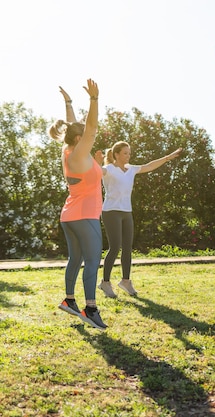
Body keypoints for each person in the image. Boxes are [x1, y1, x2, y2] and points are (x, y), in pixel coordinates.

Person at [51, 81, 107, 330]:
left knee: (76, 258)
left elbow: (75, 127)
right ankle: (90, 309)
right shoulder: (81, 154)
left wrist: (69, 104)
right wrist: (94, 100)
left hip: (69, 215)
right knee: (93, 260)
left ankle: (70, 300)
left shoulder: (68, 151)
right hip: (86, 216)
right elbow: (91, 127)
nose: (87, 134)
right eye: (82, 133)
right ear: (78, 137)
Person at [97, 141, 183, 298]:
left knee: (127, 248)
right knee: (115, 247)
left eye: (129, 153)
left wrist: (167, 158)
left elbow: (149, 166)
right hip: (111, 211)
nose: (128, 156)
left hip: (126, 212)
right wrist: (95, 162)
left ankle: (126, 281)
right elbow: (95, 172)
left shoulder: (131, 169)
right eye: (125, 153)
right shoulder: (109, 169)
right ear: (116, 154)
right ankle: (105, 282)